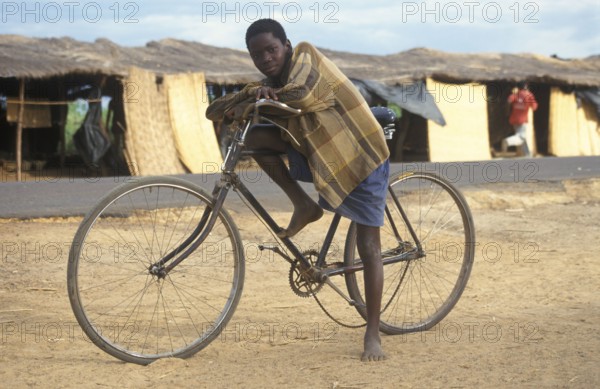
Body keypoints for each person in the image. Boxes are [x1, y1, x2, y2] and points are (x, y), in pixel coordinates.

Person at [206, 18, 390, 362]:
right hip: (320, 150)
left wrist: (261, 96)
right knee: (252, 140)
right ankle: (303, 206)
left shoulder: (306, 57)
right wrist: (250, 93)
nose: (265, 59)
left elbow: (302, 96)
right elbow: (213, 112)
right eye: (256, 54)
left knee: (368, 246)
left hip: (357, 152)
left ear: (287, 45)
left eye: (271, 50)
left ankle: (373, 332)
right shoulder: (270, 81)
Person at [502, 82, 538, 157]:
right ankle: (508, 141)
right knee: (521, 137)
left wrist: (507, 111)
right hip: (523, 120)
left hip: (514, 119)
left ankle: (528, 154)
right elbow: (534, 107)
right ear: (526, 87)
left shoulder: (515, 95)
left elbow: (508, 101)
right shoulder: (528, 95)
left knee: (522, 136)